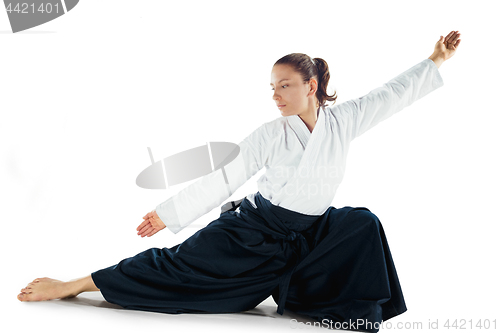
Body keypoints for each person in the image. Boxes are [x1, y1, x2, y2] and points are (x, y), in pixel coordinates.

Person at [17, 31, 461, 333]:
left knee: (362, 223)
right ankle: (76, 283)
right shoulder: (270, 134)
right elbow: (225, 177)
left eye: (284, 86)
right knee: (177, 267)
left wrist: (435, 59)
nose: (276, 95)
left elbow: (390, 95)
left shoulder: (344, 120)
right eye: (272, 87)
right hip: (254, 232)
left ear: (311, 85)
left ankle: (324, 301)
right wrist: (167, 213)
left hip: (310, 236)